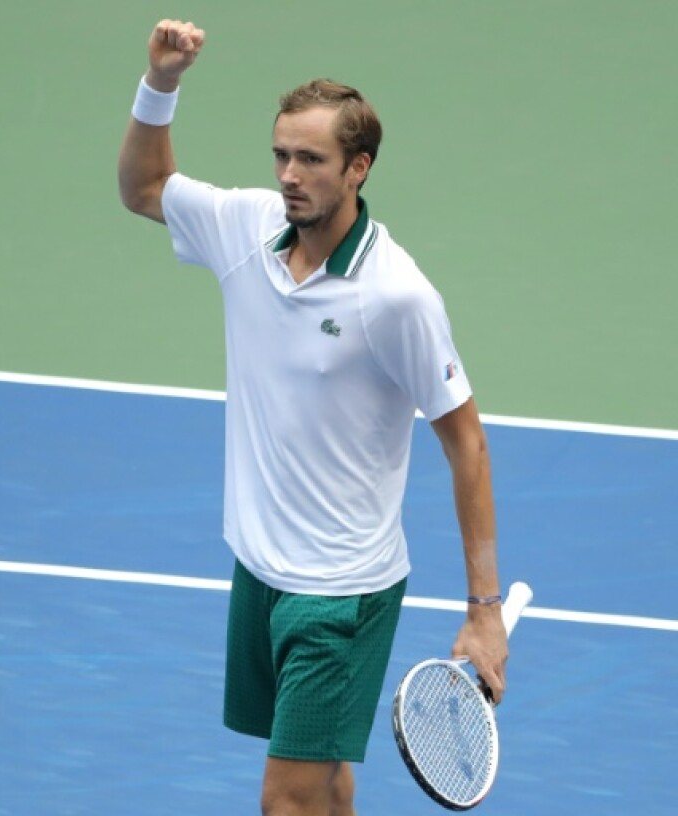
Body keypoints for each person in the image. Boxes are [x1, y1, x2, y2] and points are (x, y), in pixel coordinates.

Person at [117, 19, 509, 816]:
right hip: (259, 570)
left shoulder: (395, 296)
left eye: (312, 160)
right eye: (281, 156)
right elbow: (144, 190)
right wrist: (161, 84)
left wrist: (483, 611)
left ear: (358, 168)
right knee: (324, 786)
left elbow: (464, 441)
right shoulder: (246, 227)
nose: (290, 175)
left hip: (342, 593)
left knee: (284, 801)